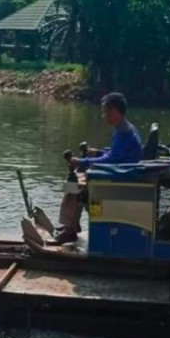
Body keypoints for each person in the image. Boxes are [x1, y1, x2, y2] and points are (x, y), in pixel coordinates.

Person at [55, 92, 143, 244]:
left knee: (73, 187)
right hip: (120, 173)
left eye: (105, 111)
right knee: (79, 184)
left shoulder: (124, 133)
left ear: (114, 111)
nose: (104, 115)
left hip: (119, 178)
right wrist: (97, 152)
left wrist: (81, 162)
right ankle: (71, 226)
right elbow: (115, 154)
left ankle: (70, 229)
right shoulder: (127, 128)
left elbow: (111, 160)